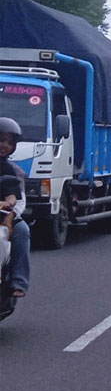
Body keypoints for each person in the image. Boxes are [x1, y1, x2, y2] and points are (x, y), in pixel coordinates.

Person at [0, 118, 31, 298]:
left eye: (9, 142)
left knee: (22, 231)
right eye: (1, 139)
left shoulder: (13, 171)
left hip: (4, 216)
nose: (4, 145)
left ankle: (18, 281)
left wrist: (9, 211)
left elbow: (17, 199)